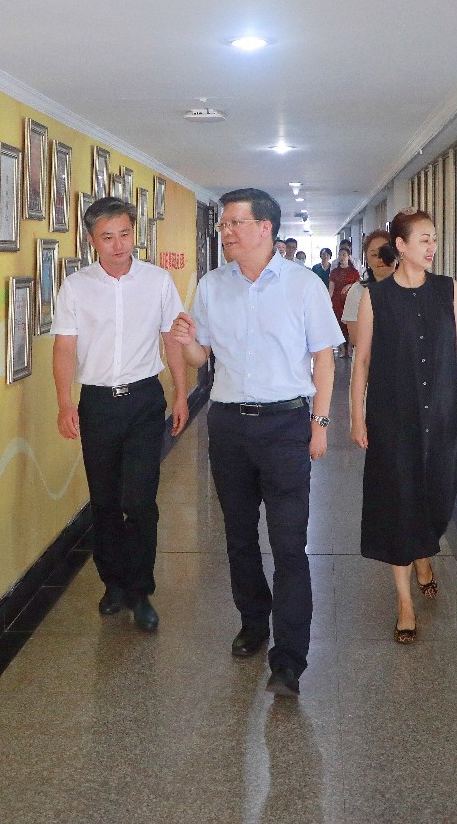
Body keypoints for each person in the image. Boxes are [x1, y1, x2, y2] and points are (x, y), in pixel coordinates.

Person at [170, 188, 343, 697]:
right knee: (239, 536)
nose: (225, 231)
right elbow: (201, 357)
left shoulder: (303, 285)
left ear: (265, 228)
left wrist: (320, 423)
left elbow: (325, 358)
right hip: (228, 425)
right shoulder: (211, 285)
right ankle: (252, 620)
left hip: (286, 425)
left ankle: (289, 659)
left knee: (289, 544)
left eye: (234, 223)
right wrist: (185, 341)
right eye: (223, 224)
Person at [53, 196, 191, 633]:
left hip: (144, 401)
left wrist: (181, 394)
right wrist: (64, 402)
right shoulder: (76, 287)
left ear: (135, 234)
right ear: (91, 240)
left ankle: (141, 590)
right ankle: (113, 583)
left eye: (125, 234)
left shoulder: (157, 281)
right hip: (97, 403)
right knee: (105, 500)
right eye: (107, 237)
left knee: (140, 500)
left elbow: (172, 340)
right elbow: (65, 348)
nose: (118, 245)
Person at [349, 210, 457, 644]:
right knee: (398, 501)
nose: (432, 248)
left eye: (434, 239)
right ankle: (405, 602)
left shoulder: (447, 289)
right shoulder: (376, 297)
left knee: (435, 494)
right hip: (393, 416)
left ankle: (423, 552)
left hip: (442, 414)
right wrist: (356, 415)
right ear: (401, 246)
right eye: (424, 239)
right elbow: (362, 360)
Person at [342, 229, 394, 356]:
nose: (380, 259)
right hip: (370, 361)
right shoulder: (358, 291)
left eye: (386, 253)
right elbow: (355, 338)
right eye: (374, 255)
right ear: (367, 259)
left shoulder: (410, 289)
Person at [327, 245, 360, 356]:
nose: (341, 257)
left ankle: (350, 346)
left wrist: (349, 285)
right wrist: (328, 302)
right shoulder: (334, 272)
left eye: (344, 255)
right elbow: (331, 288)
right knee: (338, 323)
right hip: (337, 301)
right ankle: (341, 348)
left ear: (349, 257)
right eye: (340, 255)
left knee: (350, 323)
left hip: (350, 300)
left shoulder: (354, 271)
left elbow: (358, 285)